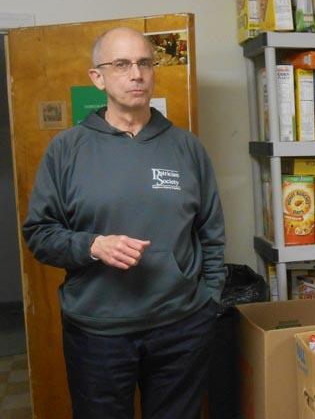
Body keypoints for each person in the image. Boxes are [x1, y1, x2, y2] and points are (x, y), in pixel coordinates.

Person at [22, 27, 226, 419]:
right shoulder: (67, 149)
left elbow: (211, 233)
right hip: (98, 333)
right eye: (121, 64)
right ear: (97, 77)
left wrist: (208, 301)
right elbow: (39, 234)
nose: (136, 74)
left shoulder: (186, 147)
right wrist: (92, 246)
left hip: (181, 326)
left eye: (144, 63)